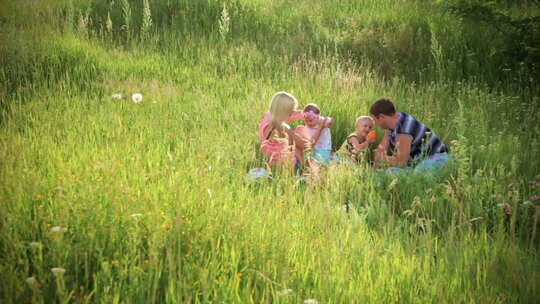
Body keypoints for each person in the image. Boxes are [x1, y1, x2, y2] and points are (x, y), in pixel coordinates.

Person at [369, 98, 449, 174]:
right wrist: (373, 170)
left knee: (394, 173)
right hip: (418, 163)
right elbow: (382, 148)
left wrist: (382, 159)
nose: (375, 124)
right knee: (388, 173)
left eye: (374, 120)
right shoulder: (391, 124)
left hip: (437, 158)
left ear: (382, 117)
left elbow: (401, 162)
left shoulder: (404, 128)